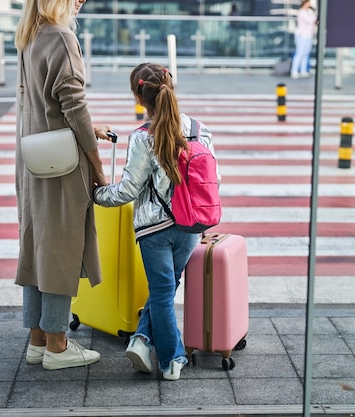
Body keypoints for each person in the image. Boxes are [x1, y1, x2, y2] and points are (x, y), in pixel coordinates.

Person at [94, 63, 219, 381]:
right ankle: (141, 339)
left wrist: (95, 194)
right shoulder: (198, 129)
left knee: (162, 293)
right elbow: (213, 178)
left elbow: (127, 191)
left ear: (139, 97)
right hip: (191, 226)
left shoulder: (142, 138)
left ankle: (171, 360)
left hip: (155, 230)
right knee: (166, 289)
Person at [14, 0, 113, 371]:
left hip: (32, 158)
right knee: (60, 249)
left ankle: (38, 339)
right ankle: (58, 345)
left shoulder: (30, 35)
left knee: (38, 244)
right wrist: (97, 163)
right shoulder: (61, 36)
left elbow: (46, 104)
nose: (81, 2)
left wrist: (93, 126)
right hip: (61, 163)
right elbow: (73, 105)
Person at [290, 0, 317, 79]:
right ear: (305, 3)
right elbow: (311, 21)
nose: (310, 4)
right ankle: (294, 70)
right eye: (308, 3)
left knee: (306, 53)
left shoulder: (309, 12)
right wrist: (314, 14)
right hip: (301, 35)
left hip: (309, 35)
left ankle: (303, 70)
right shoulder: (301, 12)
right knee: (300, 53)